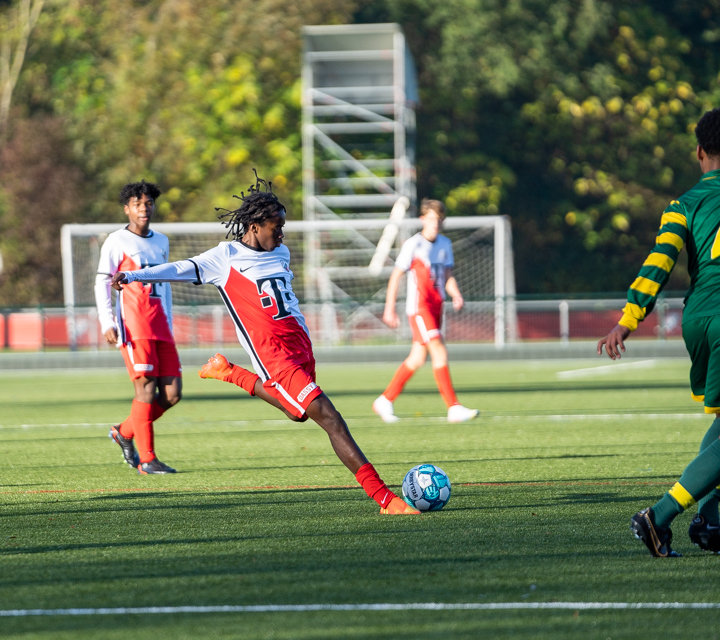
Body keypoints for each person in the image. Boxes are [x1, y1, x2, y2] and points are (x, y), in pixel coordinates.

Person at [112, 173, 419, 514]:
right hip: (274, 357)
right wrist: (133, 276)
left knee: (297, 412)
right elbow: (179, 268)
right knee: (330, 418)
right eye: (278, 226)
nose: (282, 233)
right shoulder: (224, 257)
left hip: (301, 347)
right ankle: (385, 499)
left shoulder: (281, 252)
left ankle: (229, 372)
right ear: (256, 225)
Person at [598, 107, 720, 557]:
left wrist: (629, 319)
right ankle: (660, 515)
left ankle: (710, 520)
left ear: (699, 152)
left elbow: (660, 262)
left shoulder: (684, 204)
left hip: (699, 319)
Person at [95, 181, 181, 474]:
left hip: (161, 325)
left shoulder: (162, 241)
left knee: (172, 393)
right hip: (134, 325)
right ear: (126, 209)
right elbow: (102, 282)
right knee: (145, 389)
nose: (144, 209)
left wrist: (168, 318)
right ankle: (147, 459)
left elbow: (165, 282)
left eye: (148, 203)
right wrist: (107, 321)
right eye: (137, 204)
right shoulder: (116, 241)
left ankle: (124, 431)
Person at [372, 199, 479, 424]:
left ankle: (385, 400)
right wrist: (389, 308)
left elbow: (447, 276)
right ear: (422, 220)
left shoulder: (445, 244)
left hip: (436, 306)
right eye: (431, 219)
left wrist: (456, 294)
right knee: (439, 351)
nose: (435, 224)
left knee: (417, 358)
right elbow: (396, 276)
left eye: (439, 220)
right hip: (419, 308)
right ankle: (453, 407)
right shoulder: (413, 244)